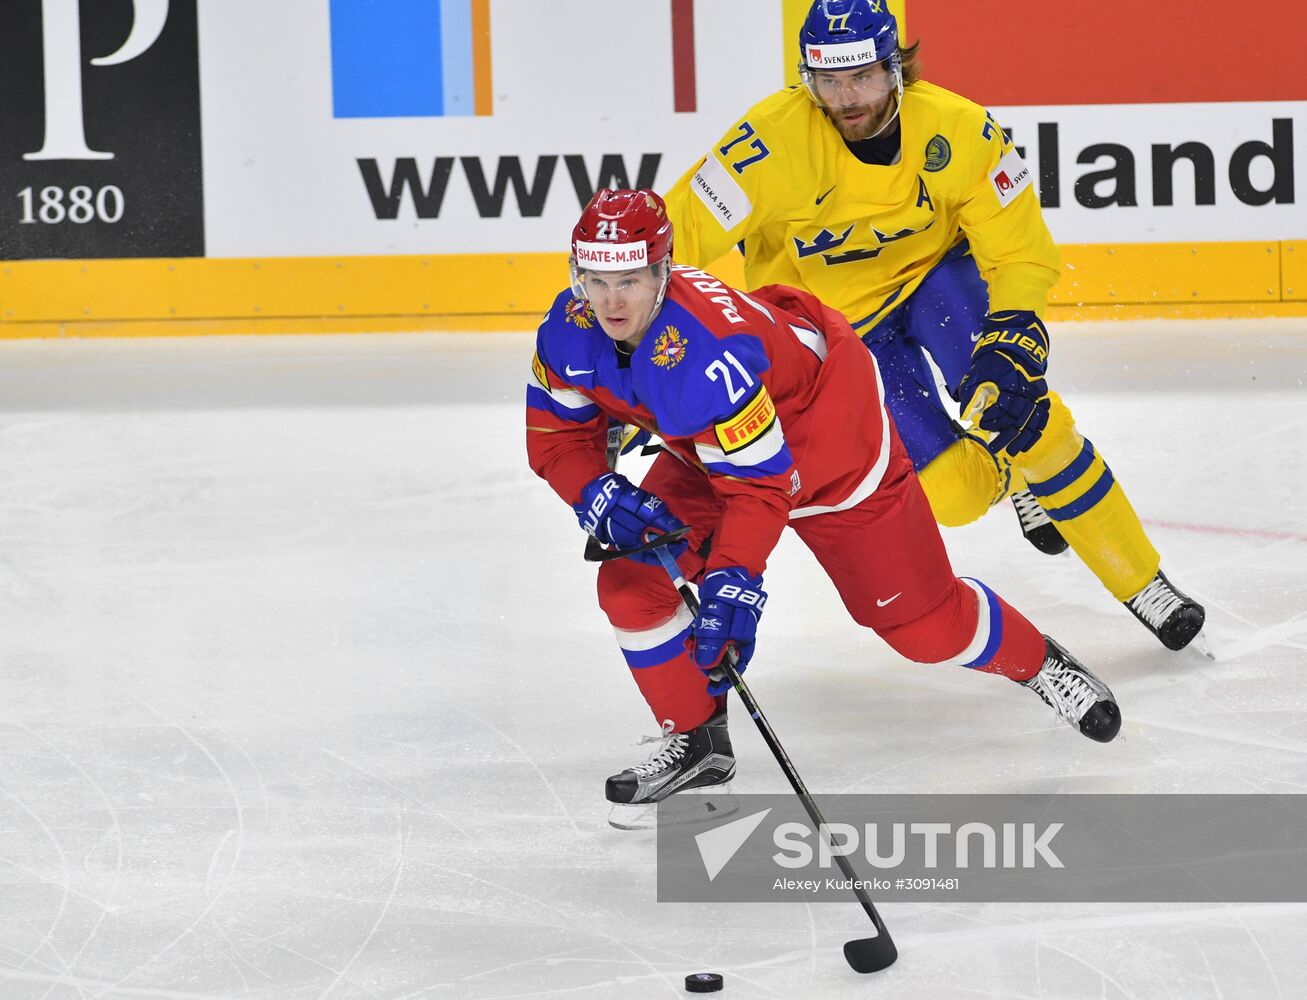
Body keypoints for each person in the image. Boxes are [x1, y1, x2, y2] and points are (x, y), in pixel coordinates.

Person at [526, 188, 1120, 827]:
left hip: (833, 442)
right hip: (720, 450)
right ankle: (699, 742)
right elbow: (556, 435)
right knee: (630, 585)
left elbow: (760, 489)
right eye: (595, 279)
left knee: (924, 629)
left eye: (630, 280)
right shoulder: (570, 328)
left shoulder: (708, 355)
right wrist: (595, 491)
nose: (611, 300)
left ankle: (1040, 664)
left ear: (662, 272)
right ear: (576, 273)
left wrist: (732, 579)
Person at [662, 0, 1206, 652]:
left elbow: (1020, 251)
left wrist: (1012, 332)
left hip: (936, 283)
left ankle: (1142, 581)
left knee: (1032, 419)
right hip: (841, 334)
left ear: (895, 68)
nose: (845, 98)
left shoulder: (961, 130)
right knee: (950, 497)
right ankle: (1012, 476)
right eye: (827, 80)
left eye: (861, 76)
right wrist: (612, 350)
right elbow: (671, 244)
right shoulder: (765, 145)